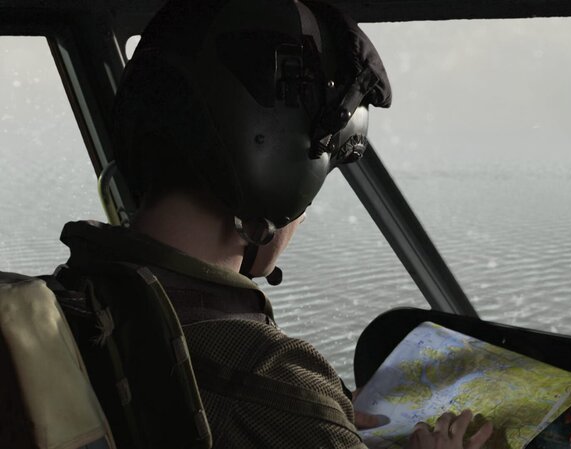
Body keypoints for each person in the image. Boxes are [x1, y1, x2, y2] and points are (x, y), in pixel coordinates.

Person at [59, 0, 493, 448]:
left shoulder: (70, 296)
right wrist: (315, 414)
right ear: (278, 176)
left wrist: (330, 413)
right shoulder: (270, 382)